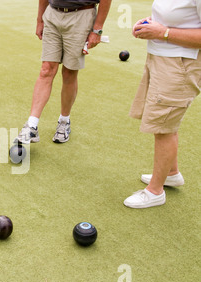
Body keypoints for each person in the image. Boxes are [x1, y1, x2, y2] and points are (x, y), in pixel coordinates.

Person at [124, 0, 201, 208]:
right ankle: (171, 174)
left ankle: (155, 192)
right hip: (161, 59)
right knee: (165, 123)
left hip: (181, 64)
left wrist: (162, 32)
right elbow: (176, 18)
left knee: (164, 127)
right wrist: (148, 24)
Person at [14, 0, 112, 144]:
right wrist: (40, 19)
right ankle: (32, 126)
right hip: (53, 13)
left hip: (82, 15)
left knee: (69, 72)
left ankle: (64, 121)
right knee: (46, 69)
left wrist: (97, 29)